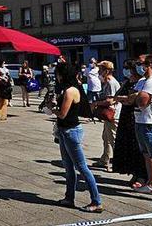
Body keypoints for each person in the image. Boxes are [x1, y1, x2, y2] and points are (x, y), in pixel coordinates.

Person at [52, 61, 103, 213]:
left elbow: (62, 113)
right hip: (64, 130)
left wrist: (52, 109)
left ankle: (96, 201)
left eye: (58, 74)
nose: (57, 77)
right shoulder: (67, 89)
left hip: (71, 131)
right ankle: (69, 198)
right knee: (68, 167)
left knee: (82, 167)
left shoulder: (70, 91)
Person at [122, 56, 152, 207]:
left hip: (151, 123)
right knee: (147, 156)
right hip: (140, 121)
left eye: (139, 64)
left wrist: (135, 96)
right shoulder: (142, 81)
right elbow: (131, 99)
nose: (137, 66)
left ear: (148, 65)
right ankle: (151, 184)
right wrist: (134, 96)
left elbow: (141, 102)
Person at [112, 60, 148, 188]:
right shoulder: (127, 82)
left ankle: (143, 176)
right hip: (126, 116)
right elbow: (117, 97)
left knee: (138, 147)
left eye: (128, 68)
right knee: (128, 147)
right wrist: (125, 99)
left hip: (136, 117)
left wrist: (125, 99)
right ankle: (134, 172)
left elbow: (132, 100)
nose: (126, 71)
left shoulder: (141, 82)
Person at [91, 61, 120, 172]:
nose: (99, 72)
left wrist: (97, 103)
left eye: (101, 69)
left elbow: (110, 100)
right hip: (109, 115)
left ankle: (116, 163)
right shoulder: (107, 82)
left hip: (113, 114)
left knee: (113, 139)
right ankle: (104, 159)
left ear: (106, 70)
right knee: (106, 138)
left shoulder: (111, 82)